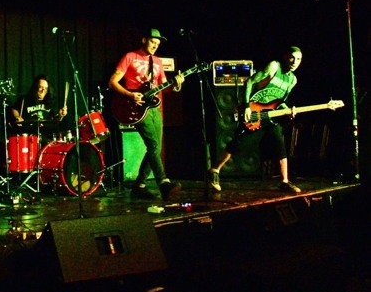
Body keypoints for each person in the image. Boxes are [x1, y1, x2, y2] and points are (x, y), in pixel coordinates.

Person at [208, 45, 303, 194]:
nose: (295, 62)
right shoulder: (274, 66)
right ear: (285, 56)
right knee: (238, 145)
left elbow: (280, 101)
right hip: (254, 111)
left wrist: (288, 111)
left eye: (298, 59)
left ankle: (284, 181)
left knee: (280, 145)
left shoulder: (292, 80)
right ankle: (215, 170)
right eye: (292, 58)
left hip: (270, 117)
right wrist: (246, 106)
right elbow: (250, 82)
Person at [109, 28, 185, 201]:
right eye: (153, 42)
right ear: (144, 40)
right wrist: (130, 94)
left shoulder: (157, 62)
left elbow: (164, 87)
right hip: (136, 107)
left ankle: (139, 186)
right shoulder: (130, 56)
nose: (155, 46)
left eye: (158, 44)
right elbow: (112, 82)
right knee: (153, 145)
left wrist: (176, 85)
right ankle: (164, 183)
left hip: (155, 109)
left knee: (155, 148)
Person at [9, 74, 67, 143]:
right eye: (40, 87)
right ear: (35, 87)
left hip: (46, 136)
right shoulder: (25, 100)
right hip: (28, 136)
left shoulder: (50, 102)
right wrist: (17, 116)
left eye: (46, 88)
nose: (43, 90)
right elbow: (14, 108)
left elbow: (55, 120)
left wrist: (61, 115)